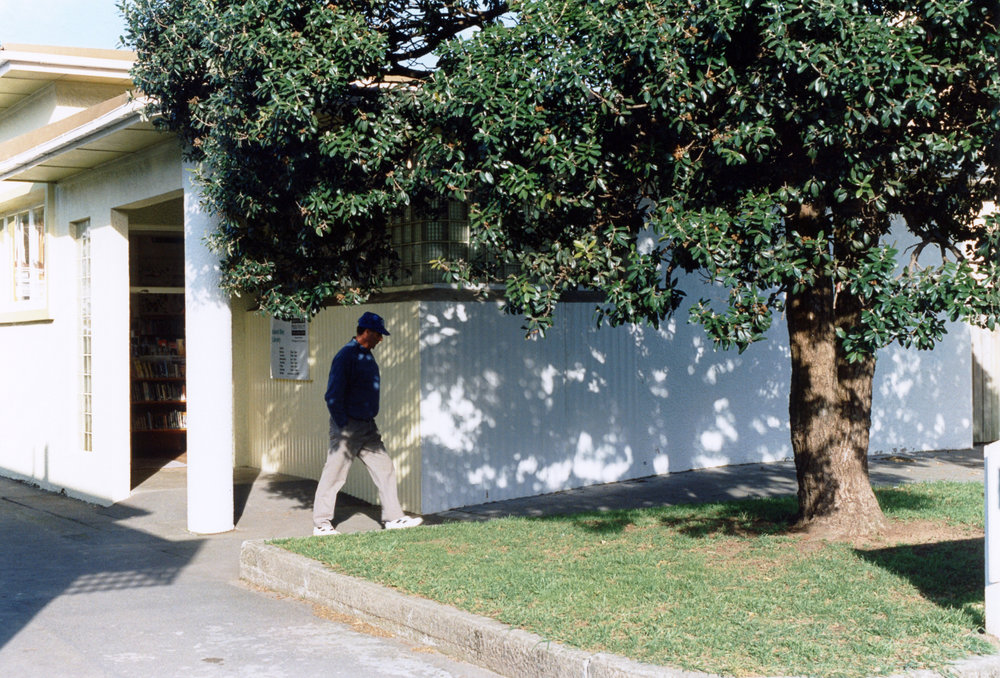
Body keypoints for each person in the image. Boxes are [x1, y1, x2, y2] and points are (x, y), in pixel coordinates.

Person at [312, 312, 424, 536]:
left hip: (367, 427)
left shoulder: (367, 355)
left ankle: (393, 518)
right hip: (348, 427)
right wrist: (343, 425)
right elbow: (332, 395)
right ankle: (322, 525)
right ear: (366, 332)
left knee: (385, 468)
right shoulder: (346, 356)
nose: (381, 339)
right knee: (334, 475)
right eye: (378, 334)